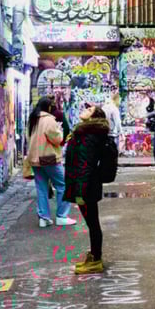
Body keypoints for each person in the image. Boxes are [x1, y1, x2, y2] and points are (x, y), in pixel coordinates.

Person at [65, 104, 110, 274]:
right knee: (92, 223)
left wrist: (80, 191)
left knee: (93, 223)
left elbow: (86, 165)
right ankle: (93, 256)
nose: (85, 110)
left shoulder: (88, 135)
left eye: (89, 109)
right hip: (88, 185)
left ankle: (96, 260)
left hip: (87, 186)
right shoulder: (87, 132)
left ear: (94, 117)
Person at [27, 96, 76, 228]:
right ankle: (62, 216)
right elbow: (57, 139)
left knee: (41, 188)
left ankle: (44, 218)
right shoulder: (48, 120)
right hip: (48, 157)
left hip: (34, 158)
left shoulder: (33, 118)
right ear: (48, 107)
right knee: (63, 185)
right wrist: (60, 131)